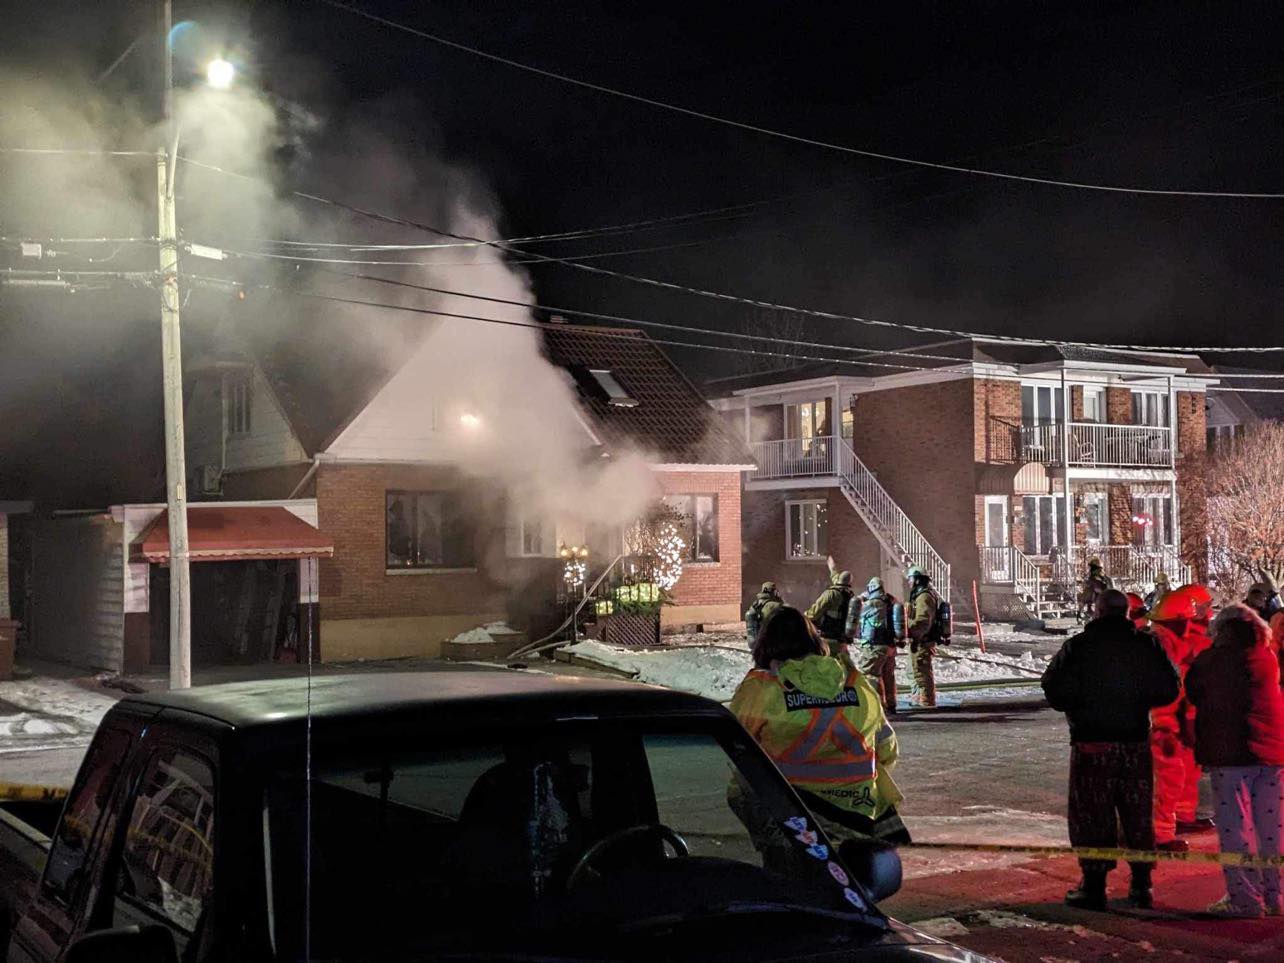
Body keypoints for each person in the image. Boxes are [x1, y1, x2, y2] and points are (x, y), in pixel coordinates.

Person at [1041, 589, 1181, 910]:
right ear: (1127, 613)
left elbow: (1053, 687)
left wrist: (1080, 705)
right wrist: (1138, 701)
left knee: (1092, 814)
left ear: (1097, 611)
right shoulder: (1146, 646)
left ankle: (1093, 885)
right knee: (1137, 813)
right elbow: (1170, 687)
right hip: (1134, 742)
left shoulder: (1078, 647)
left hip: (1092, 742)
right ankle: (1142, 884)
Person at [730, 605, 909, 845]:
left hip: (796, 815)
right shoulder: (855, 682)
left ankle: (774, 858)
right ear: (814, 640)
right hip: (860, 812)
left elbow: (734, 753)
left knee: (737, 791)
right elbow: (887, 748)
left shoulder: (761, 689)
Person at [1186, 604, 1284, 917]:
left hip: (1230, 755)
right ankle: (1275, 896)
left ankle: (1245, 899)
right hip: (1272, 753)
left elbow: (1192, 691)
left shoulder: (1212, 661)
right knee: (1272, 828)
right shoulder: (1266, 658)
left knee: (1235, 828)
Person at [854, 576, 903, 716]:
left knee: (870, 675)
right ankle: (891, 704)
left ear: (871, 588)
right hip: (890, 646)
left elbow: (857, 614)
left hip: (875, 646)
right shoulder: (891, 602)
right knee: (888, 675)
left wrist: (860, 600)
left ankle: (879, 707)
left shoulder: (872, 603)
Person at [905, 565, 940, 707]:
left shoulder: (924, 597)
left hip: (922, 641)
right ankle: (918, 700)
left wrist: (908, 630)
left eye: (911, 578)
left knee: (921, 672)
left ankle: (926, 702)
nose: (909, 582)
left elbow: (923, 621)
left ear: (918, 579)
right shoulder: (920, 595)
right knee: (913, 671)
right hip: (918, 641)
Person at [805, 569, 857, 653]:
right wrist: (833, 569)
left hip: (828, 638)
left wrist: (803, 617)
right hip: (843, 641)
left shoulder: (831, 594)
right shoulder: (851, 596)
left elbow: (813, 614)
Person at [1078, 557, 1112, 621]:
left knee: (1088, 594)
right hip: (1098, 594)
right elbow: (1091, 583)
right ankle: (1085, 611)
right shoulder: (1094, 577)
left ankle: (1088, 612)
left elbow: (1100, 587)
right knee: (1085, 595)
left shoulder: (1103, 577)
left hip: (1103, 595)